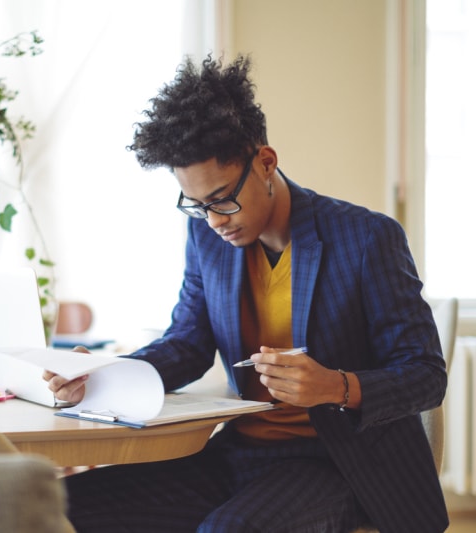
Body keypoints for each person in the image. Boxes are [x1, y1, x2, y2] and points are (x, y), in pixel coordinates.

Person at [43, 55, 449, 533]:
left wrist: (336, 386)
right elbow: (188, 344)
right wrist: (106, 375)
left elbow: (425, 374)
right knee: (53, 504)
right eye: (196, 206)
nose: (214, 220)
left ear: (266, 163)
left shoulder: (366, 238)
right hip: (235, 454)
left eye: (221, 198)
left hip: (334, 465)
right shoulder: (208, 242)